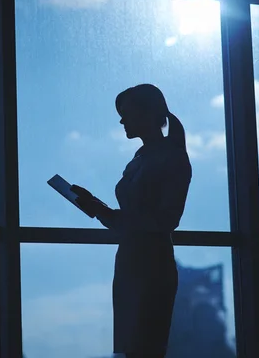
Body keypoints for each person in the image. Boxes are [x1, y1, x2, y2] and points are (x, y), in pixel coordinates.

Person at [71, 84, 192, 358]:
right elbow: (139, 219)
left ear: (148, 113)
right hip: (130, 261)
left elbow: (165, 220)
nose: (121, 120)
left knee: (141, 346)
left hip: (150, 264)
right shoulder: (143, 158)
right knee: (128, 347)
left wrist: (104, 211)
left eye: (127, 113)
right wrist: (97, 207)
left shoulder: (170, 157)